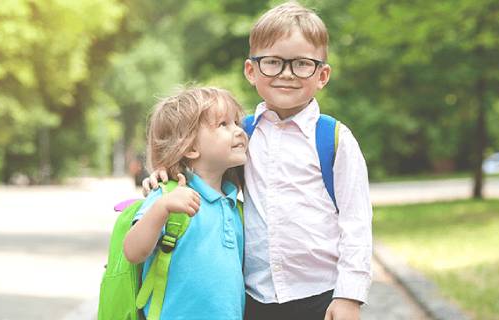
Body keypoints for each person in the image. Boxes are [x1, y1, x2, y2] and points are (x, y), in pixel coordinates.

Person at [143, 2, 373, 320]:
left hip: (320, 295)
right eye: (273, 62)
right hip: (255, 297)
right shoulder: (243, 134)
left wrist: (350, 296)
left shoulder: (334, 139)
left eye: (302, 64)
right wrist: (164, 175)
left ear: (322, 75)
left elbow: (356, 223)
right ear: (251, 70)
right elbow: (204, 171)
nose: (287, 74)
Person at [123, 86, 248, 319]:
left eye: (237, 123)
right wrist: (162, 207)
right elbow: (133, 251)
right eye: (223, 124)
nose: (239, 131)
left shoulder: (234, 205)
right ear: (191, 147)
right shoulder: (169, 197)